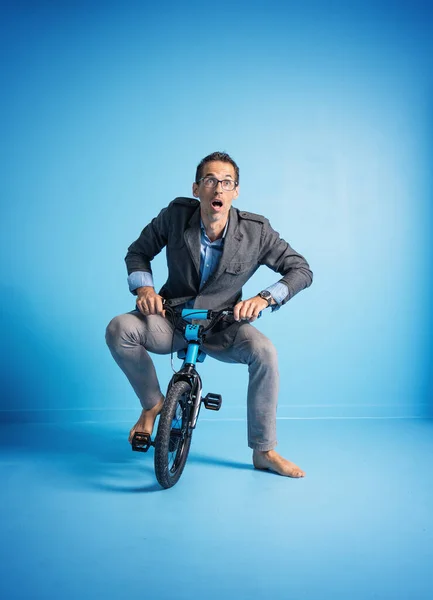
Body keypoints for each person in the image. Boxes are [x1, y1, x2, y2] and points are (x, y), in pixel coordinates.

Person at [105, 151, 313, 478]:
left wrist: (264, 298)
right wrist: (145, 289)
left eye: (226, 182)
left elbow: (300, 270)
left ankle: (264, 451)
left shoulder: (257, 231)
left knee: (265, 353)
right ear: (196, 188)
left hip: (224, 326)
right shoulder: (175, 216)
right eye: (210, 181)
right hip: (172, 320)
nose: (218, 188)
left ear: (236, 191)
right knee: (119, 329)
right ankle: (152, 403)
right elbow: (138, 253)